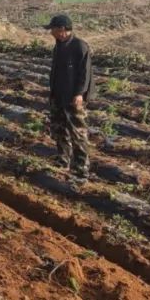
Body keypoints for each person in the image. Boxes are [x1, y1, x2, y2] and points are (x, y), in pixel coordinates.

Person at [45, 14, 95, 183]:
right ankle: (63, 160)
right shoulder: (58, 46)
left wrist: (80, 94)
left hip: (74, 98)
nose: (51, 32)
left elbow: (85, 73)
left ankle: (81, 171)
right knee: (59, 131)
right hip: (58, 96)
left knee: (78, 134)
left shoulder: (79, 46)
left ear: (62, 30)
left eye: (52, 29)